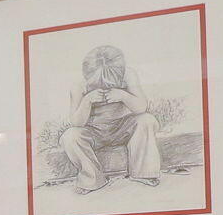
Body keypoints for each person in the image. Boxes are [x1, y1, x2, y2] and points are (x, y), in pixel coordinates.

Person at [60, 44, 162, 194]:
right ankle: (93, 179)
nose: (104, 87)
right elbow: (76, 123)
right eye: (98, 84)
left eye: (110, 83)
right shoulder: (79, 86)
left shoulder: (129, 75)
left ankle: (144, 173)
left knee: (147, 120)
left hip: (123, 128)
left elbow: (141, 107)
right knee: (69, 137)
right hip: (94, 133)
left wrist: (123, 96)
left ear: (119, 73)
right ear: (87, 75)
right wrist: (87, 101)